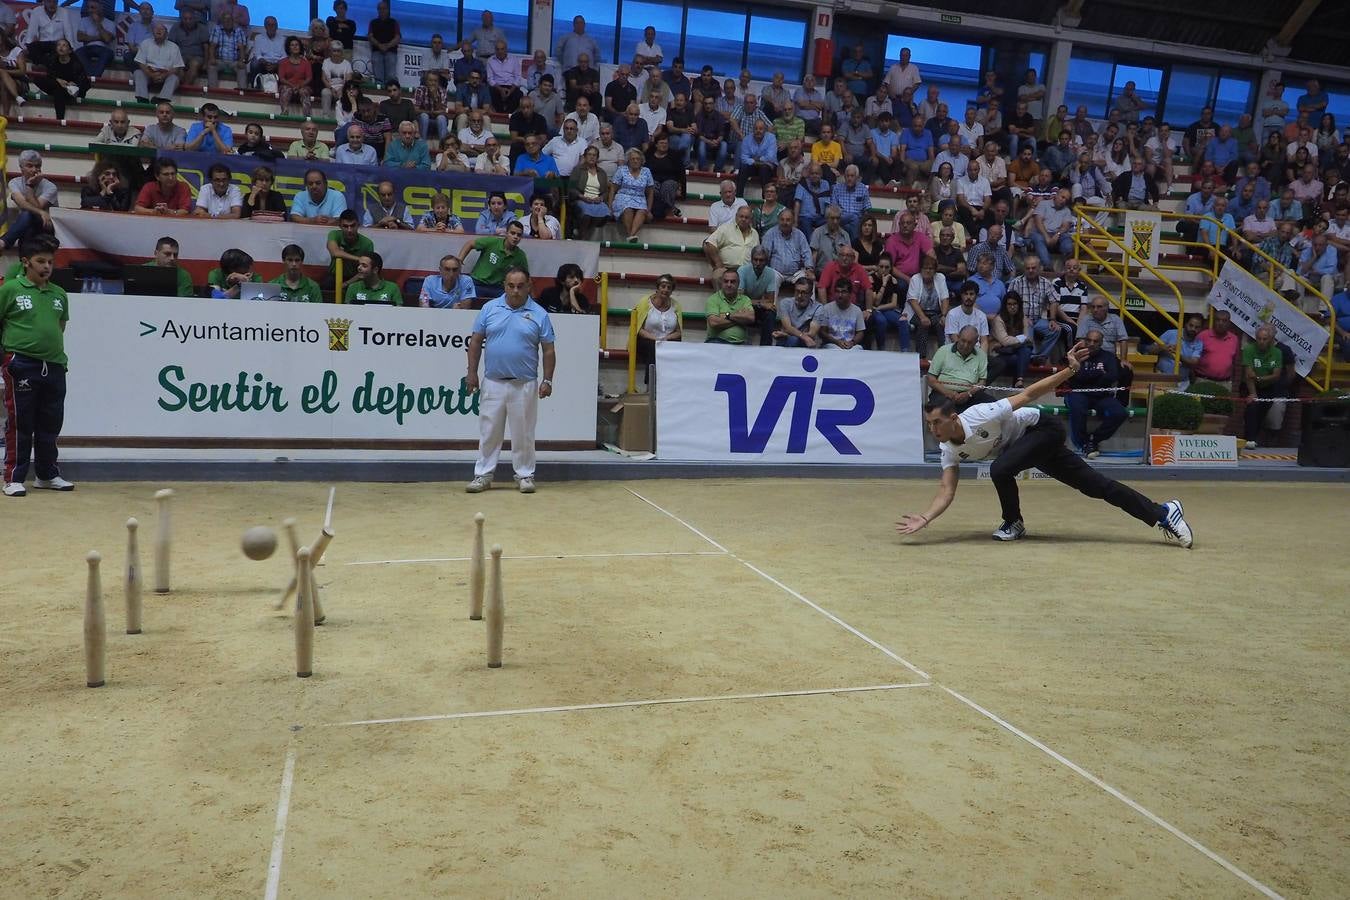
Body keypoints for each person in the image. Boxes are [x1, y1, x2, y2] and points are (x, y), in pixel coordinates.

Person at [898, 344, 1194, 546]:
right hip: (1028, 448)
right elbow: (946, 490)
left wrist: (1069, 371)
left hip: (1042, 429)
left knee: (1001, 469)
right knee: (1096, 486)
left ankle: (1013, 523)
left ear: (952, 417)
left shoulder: (979, 415)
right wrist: (925, 518)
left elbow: (1027, 395)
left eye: (936, 422)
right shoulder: (949, 449)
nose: (933, 429)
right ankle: (1164, 513)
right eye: (928, 425)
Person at [465, 267, 556, 494]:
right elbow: (475, 342)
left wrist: (548, 380)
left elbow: (548, 350)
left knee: (524, 433)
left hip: (524, 384)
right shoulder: (489, 309)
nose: (515, 291)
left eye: (520, 286)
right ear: (504, 286)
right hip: (493, 382)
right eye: (511, 286)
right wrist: (472, 373)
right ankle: (483, 475)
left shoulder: (539, 314)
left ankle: (525, 476)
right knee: (489, 431)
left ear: (529, 286)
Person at [1, 238, 75, 497]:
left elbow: (60, 328)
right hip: (21, 363)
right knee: (21, 423)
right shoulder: (10, 289)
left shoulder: (59, 294)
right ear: (25, 262)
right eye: (41, 261)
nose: (47, 267)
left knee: (51, 423)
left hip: (54, 365)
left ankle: (47, 474)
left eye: (50, 262)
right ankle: (13, 477)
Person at [1064, 327, 1128, 456]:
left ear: (1101, 343)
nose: (1092, 344)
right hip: (1078, 393)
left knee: (1120, 413)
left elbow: (1113, 376)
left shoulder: (1109, 357)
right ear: (1084, 341)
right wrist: (1099, 373)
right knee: (1077, 408)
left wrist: (1086, 375)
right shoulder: (1076, 355)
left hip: (1101, 395)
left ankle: (1093, 440)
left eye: (1095, 341)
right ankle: (1082, 444)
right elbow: (1075, 377)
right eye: (1089, 340)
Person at [927, 325, 992, 411]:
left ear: (976, 342)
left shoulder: (981, 355)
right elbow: (931, 379)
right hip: (943, 392)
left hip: (969, 395)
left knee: (992, 405)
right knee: (941, 409)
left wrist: (968, 394)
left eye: (970, 343)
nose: (965, 345)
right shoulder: (943, 350)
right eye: (963, 341)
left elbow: (982, 382)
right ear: (958, 337)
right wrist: (949, 393)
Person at [1240, 324, 1284, 448]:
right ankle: (1249, 439)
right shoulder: (1249, 349)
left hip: (1268, 387)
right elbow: (1248, 375)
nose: (1261, 341)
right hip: (1250, 386)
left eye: (1264, 339)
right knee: (1252, 407)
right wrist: (1253, 393)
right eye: (1259, 338)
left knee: (1261, 412)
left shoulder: (1277, 352)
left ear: (1270, 340)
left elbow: (1276, 375)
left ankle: (1254, 438)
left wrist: (1259, 378)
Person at [461, 220, 529, 298]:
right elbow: (470, 244)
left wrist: (532, 298)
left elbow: (526, 277)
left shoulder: (520, 255)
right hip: (478, 283)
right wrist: (459, 260)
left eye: (519, 235)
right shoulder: (492, 242)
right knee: (466, 300)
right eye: (512, 233)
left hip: (498, 288)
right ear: (506, 233)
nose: (515, 237)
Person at [29, 38, 88, 120]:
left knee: (58, 91)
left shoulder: (76, 64)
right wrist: (57, 80)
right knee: (40, 79)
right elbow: (50, 75)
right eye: (59, 45)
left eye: (64, 45)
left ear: (70, 51)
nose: (61, 47)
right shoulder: (52, 60)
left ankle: (59, 120)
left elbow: (85, 82)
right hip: (54, 85)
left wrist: (74, 84)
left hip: (69, 91)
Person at [1145, 313, 1205, 389]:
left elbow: (1193, 362)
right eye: (1191, 325)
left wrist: (1177, 355)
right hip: (1162, 378)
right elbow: (1150, 350)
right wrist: (1163, 347)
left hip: (1182, 382)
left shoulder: (1199, 343)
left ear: (1201, 329)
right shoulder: (1170, 333)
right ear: (1186, 324)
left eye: (1197, 327)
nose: (1193, 329)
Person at [609, 148, 655, 243]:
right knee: (628, 209)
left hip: (640, 199)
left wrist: (649, 210)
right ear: (628, 160)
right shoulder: (621, 170)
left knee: (642, 211)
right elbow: (613, 189)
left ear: (642, 160)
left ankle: (630, 235)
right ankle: (631, 235)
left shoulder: (646, 171)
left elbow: (650, 192)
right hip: (623, 197)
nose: (635, 161)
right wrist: (610, 207)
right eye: (632, 159)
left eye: (638, 159)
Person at [991, 291, 1033, 388]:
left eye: (1015, 304)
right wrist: (1021, 339)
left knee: (1026, 350)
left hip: (1016, 350)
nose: (1012, 307)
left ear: (1019, 305)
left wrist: (1016, 341)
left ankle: (1019, 380)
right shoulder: (998, 319)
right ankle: (1018, 380)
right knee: (1020, 356)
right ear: (1005, 306)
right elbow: (1005, 340)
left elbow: (1028, 338)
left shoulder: (1023, 318)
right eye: (1009, 304)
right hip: (999, 353)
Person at [809, 279, 866, 350]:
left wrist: (852, 342)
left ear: (850, 294)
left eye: (843, 292)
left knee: (859, 349)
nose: (840, 295)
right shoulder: (826, 308)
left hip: (851, 345)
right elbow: (822, 332)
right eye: (837, 292)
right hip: (832, 344)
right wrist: (836, 342)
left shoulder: (857, 310)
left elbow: (860, 333)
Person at [133, 22, 183, 102]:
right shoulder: (145, 43)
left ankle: (162, 99)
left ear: (166, 33)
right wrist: (151, 75)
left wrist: (163, 76)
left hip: (166, 75)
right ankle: (143, 99)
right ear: (153, 32)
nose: (158, 30)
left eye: (162, 29)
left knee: (174, 78)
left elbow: (176, 68)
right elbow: (141, 63)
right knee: (138, 73)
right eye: (156, 29)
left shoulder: (174, 47)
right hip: (149, 73)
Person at [704, 269, 755, 345]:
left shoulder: (745, 299)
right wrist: (740, 319)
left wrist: (727, 315)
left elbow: (750, 318)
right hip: (717, 342)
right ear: (721, 283)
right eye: (726, 281)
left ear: (738, 283)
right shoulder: (713, 299)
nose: (729, 284)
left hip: (741, 343)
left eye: (732, 281)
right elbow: (714, 322)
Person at [276, 35, 312, 116]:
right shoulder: (283, 62)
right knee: (286, 90)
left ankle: (307, 116)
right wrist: (292, 86)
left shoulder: (306, 63)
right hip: (287, 85)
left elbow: (309, 78)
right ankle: (284, 113)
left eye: (297, 45)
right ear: (288, 48)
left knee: (304, 91)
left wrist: (299, 86)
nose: (295, 47)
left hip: (302, 86)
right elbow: (282, 78)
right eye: (292, 45)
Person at [366, 0, 399, 86]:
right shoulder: (373, 22)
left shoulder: (394, 22)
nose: (382, 10)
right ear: (377, 10)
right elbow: (370, 36)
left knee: (391, 77)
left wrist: (387, 46)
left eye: (384, 8)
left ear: (388, 10)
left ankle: (391, 94)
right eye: (380, 9)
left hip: (391, 51)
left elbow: (397, 37)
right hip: (377, 51)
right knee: (378, 78)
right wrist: (379, 45)